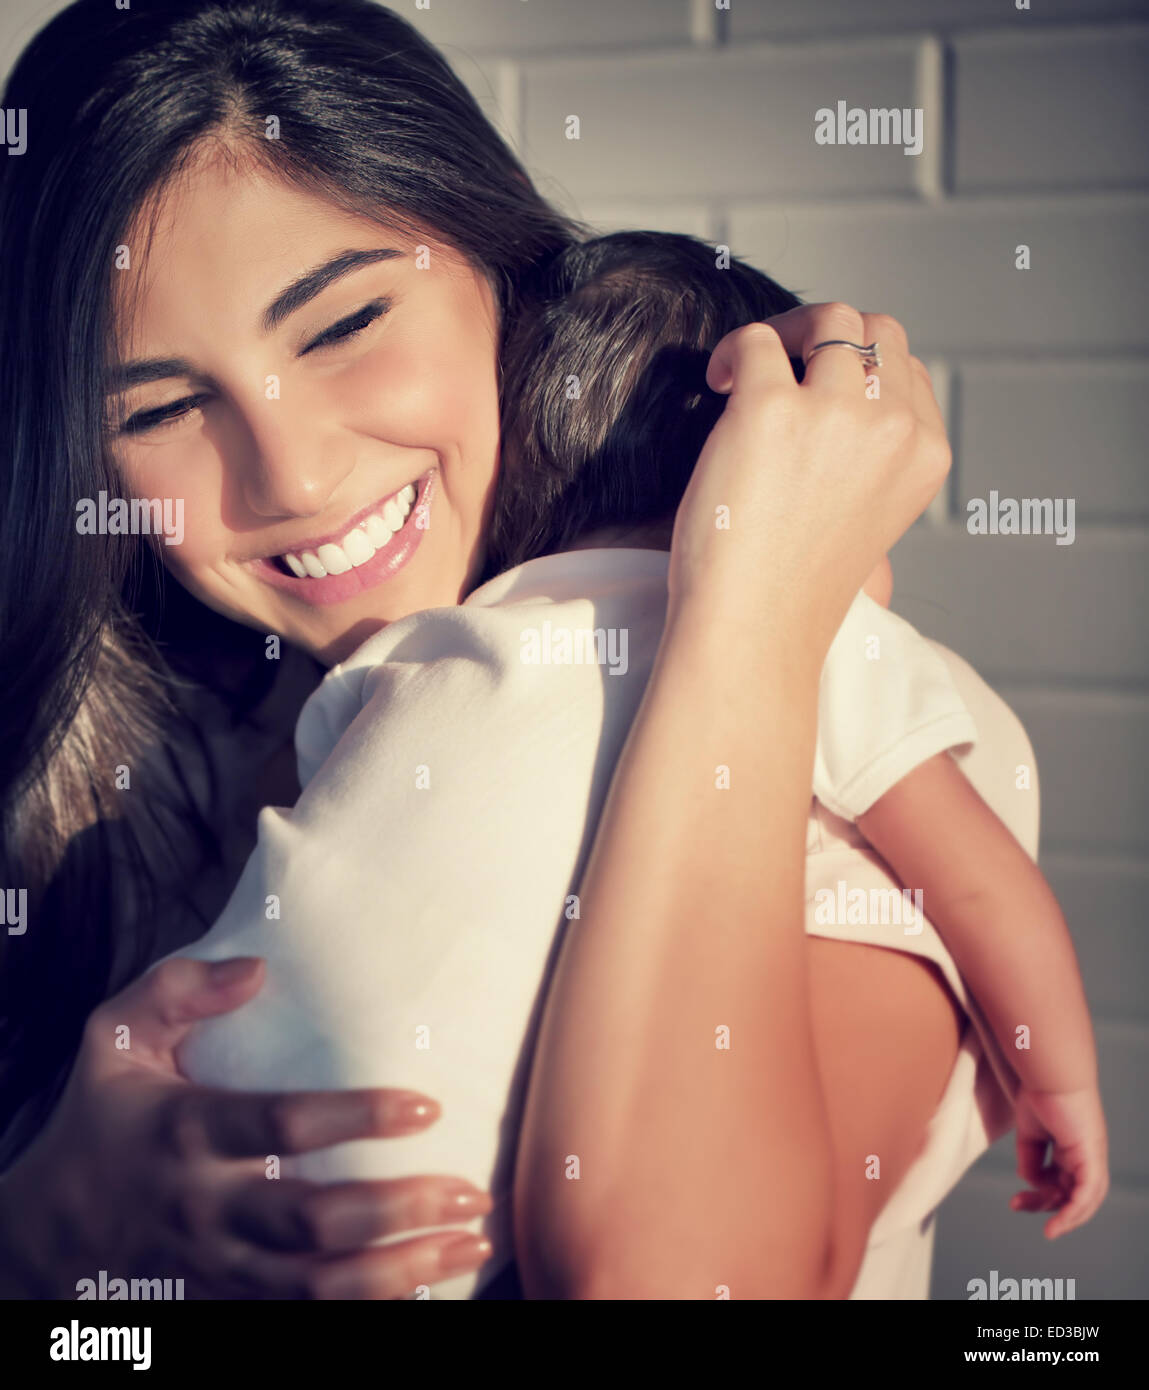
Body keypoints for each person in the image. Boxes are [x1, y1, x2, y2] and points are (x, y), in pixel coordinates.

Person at [0, 0, 989, 1299]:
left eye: (343, 323)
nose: (291, 473)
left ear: (506, 274)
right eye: (170, 406)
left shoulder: (837, 748)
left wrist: (744, 616)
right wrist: (40, 1231)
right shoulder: (116, 786)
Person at [167, 231, 1106, 1300]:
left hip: (217, 1130)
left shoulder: (451, 641)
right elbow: (979, 881)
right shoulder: (827, 633)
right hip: (424, 1227)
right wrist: (1058, 1080)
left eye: (344, 325)